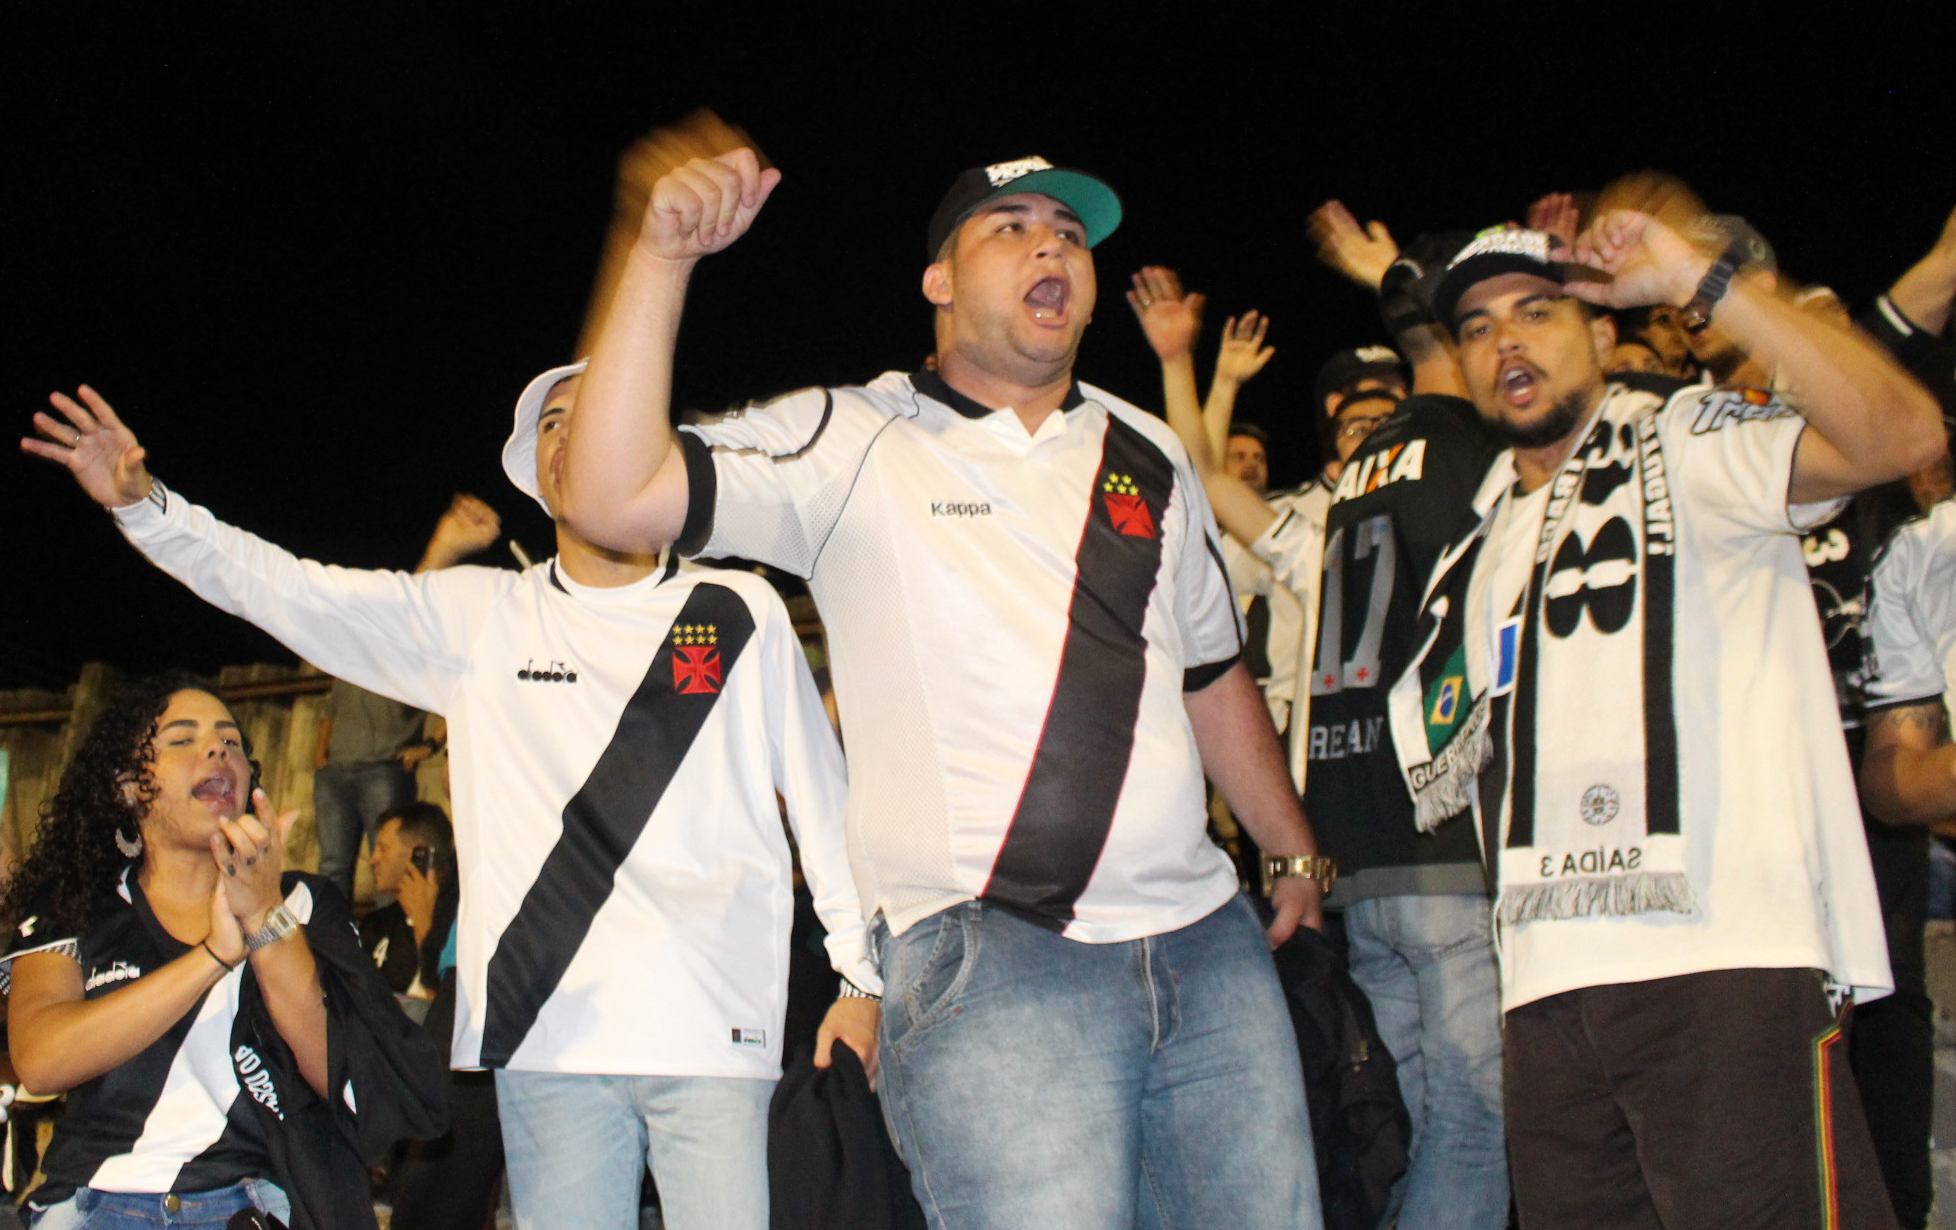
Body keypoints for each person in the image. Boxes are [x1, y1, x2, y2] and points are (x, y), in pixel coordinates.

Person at [558, 147, 1327, 1229]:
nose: (1051, 243)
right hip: (997, 960)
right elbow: (610, 496)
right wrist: (660, 260)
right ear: (939, 282)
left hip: (1209, 946)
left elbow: (1210, 669)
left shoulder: (1148, 449)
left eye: (1068, 231)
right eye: (1011, 227)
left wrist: (1289, 849)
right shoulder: (852, 437)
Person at [23, 372, 877, 1230]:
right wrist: (147, 509)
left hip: (714, 1032)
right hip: (544, 1044)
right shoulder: (482, 616)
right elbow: (292, 590)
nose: (570, 437)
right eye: (550, 425)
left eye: (595, 417)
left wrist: (859, 981)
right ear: (539, 475)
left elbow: (823, 800)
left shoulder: (739, 609)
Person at [1395, 188, 1940, 1227]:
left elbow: (1900, 433)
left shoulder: (1688, 438)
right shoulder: (1479, 542)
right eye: (1477, 327)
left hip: (1723, 961)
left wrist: (1698, 277)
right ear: (1458, 368)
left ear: (1604, 333)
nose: (1506, 341)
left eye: (1537, 311)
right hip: (1544, 996)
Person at [1136, 257, 1512, 1227]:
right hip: (1433, 844)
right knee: (1473, 1114)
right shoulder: (1470, 476)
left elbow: (1205, 481)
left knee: (1408, 1111)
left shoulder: (1331, 522)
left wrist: (1187, 368)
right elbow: (1207, 482)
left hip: (1353, 852)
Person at [0, 675, 446, 1229]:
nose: (217, 749)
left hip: (254, 1203)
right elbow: (42, 1061)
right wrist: (212, 956)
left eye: (230, 740)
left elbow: (345, 1080)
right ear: (129, 787)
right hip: (96, 1198)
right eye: (182, 739)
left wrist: (263, 918)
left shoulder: (302, 904)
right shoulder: (77, 904)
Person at [312, 495, 495, 900]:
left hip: (383, 771)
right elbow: (329, 712)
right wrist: (322, 758)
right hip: (336, 773)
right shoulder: (353, 656)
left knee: (392, 868)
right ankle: (333, 937)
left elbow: (456, 697)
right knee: (333, 867)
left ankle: (396, 935)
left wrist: (429, 745)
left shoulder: (416, 654)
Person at [360, 801, 454, 999]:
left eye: (383, 848)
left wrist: (424, 926)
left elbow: (452, 1001)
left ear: (419, 854)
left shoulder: (458, 922)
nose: (373, 859)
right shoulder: (375, 925)